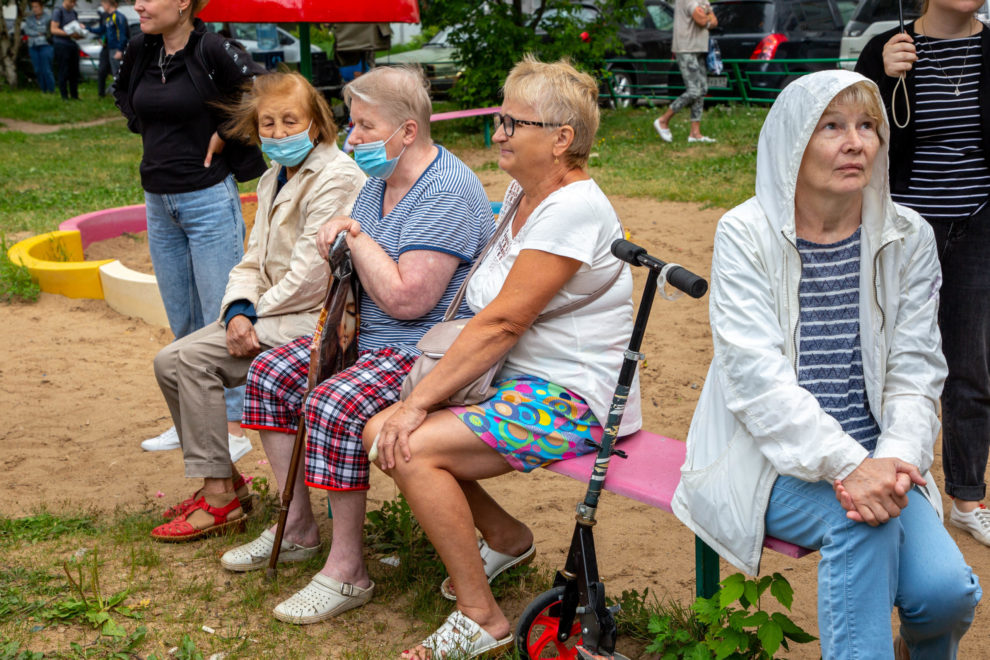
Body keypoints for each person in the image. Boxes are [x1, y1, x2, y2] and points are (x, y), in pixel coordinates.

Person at [672, 70, 981, 659]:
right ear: (793, 140)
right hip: (770, 455)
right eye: (832, 126)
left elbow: (917, 368)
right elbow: (758, 384)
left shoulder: (906, 234)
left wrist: (891, 459)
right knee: (857, 526)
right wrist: (848, 465)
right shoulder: (745, 233)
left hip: (883, 455)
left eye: (867, 126)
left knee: (944, 594)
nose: (855, 142)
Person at [364, 56, 641, 660]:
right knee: (378, 430)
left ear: (562, 139)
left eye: (514, 123)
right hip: (513, 380)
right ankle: (504, 536)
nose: (499, 133)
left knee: (409, 444)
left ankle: (481, 617)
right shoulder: (524, 192)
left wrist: (418, 404)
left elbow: (504, 321)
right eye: (500, 119)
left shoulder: (573, 209)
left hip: (570, 396)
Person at [218, 66, 495, 626]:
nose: (352, 137)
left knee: (332, 403)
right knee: (270, 374)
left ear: (409, 131)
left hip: (422, 353)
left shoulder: (446, 188)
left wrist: (354, 236)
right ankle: (296, 527)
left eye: (367, 126)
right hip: (365, 338)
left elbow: (406, 299)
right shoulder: (378, 182)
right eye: (354, 122)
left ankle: (348, 571)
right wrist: (345, 239)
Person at [148, 72, 366, 541]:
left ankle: (221, 500)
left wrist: (253, 314)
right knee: (168, 361)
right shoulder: (272, 177)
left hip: (317, 318)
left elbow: (313, 277)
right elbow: (251, 259)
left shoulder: (337, 176)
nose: (279, 133)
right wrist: (238, 310)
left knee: (188, 360)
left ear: (317, 122)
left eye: (291, 121)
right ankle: (226, 483)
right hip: (270, 311)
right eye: (268, 123)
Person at [855, 0, 990, 547]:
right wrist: (878, 78)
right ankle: (892, 480)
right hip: (905, 231)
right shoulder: (886, 47)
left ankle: (966, 497)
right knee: (887, 358)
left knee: (971, 366)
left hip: (979, 224)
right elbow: (853, 130)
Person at [114, 0, 268, 461]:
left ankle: (234, 429)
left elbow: (263, 92)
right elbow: (123, 95)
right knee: (181, 319)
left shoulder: (214, 48)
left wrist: (224, 131)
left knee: (221, 319)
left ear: (183, 4)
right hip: (158, 202)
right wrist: (147, 125)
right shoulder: (141, 49)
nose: (138, 4)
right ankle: (189, 425)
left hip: (206, 199)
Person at [653, 0, 717, 143]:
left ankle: (695, 133)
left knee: (702, 89)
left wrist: (707, 18)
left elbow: (714, 20)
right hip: (686, 48)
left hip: (699, 48)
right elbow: (701, 20)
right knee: (694, 90)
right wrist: (707, 18)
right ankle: (663, 120)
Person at [88, 0, 130, 98]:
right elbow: (102, 30)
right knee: (115, 73)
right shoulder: (108, 18)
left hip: (116, 49)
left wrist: (120, 50)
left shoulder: (118, 17)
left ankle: (122, 96)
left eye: (103, 4)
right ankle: (117, 95)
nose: (102, 6)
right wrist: (87, 28)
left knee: (118, 73)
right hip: (110, 48)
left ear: (108, 4)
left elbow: (123, 35)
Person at [50, 0, 83, 100]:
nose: (73, 4)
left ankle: (74, 95)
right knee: (63, 71)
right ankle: (64, 95)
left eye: (74, 2)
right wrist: (69, 34)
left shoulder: (74, 13)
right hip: (61, 44)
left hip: (72, 43)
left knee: (74, 71)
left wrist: (79, 34)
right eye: (71, 2)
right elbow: (53, 29)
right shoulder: (58, 11)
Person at [23, 0, 55, 94]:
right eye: (33, 7)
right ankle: (43, 90)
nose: (34, 9)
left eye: (36, 7)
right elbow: (27, 30)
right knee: (37, 70)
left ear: (41, 7)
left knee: (46, 69)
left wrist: (38, 31)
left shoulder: (48, 17)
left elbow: (47, 30)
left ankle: (51, 90)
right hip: (33, 46)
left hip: (45, 45)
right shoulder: (29, 19)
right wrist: (38, 33)